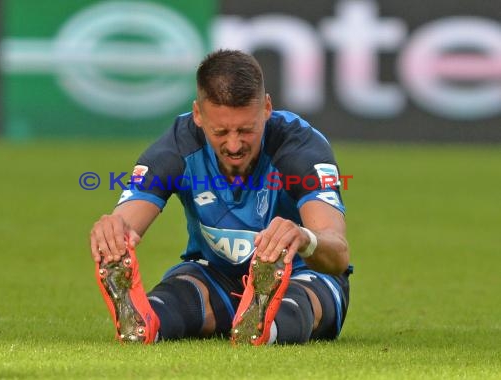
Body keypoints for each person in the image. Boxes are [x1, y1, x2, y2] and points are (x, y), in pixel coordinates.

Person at [90, 49, 352, 345]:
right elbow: (127, 221)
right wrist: (113, 233)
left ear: (266, 108)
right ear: (198, 115)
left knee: (298, 300)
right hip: (214, 274)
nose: (234, 144)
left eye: (246, 130)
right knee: (179, 293)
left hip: (300, 273)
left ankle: (267, 327)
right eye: (221, 131)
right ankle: (146, 324)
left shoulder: (300, 148)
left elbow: (338, 253)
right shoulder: (176, 147)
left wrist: (305, 238)